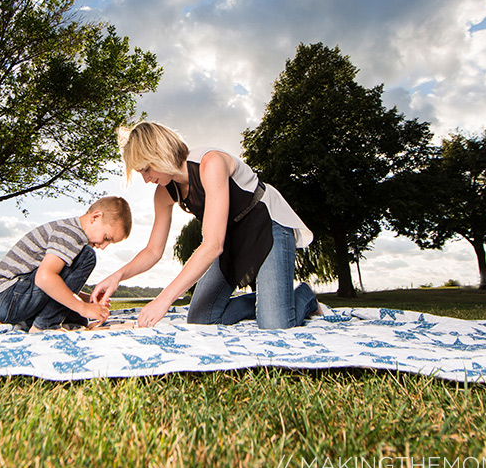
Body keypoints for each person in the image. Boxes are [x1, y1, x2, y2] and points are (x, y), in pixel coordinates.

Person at [91, 122, 318, 330]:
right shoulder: (163, 194)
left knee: (275, 325)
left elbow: (212, 245)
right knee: (201, 318)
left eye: (146, 169)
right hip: (231, 238)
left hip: (266, 224)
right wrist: (117, 276)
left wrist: (163, 300)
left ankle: (305, 296)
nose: (146, 179)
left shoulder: (210, 163)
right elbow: (153, 251)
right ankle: (268, 301)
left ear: (159, 154)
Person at [0, 196, 132, 331]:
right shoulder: (71, 233)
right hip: (8, 297)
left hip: (9, 300)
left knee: (79, 319)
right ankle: (46, 326)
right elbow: (44, 277)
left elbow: (55, 282)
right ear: (96, 217)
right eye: (106, 237)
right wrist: (83, 307)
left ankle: (21, 321)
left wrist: (86, 300)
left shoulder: (70, 232)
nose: (103, 246)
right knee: (87, 255)